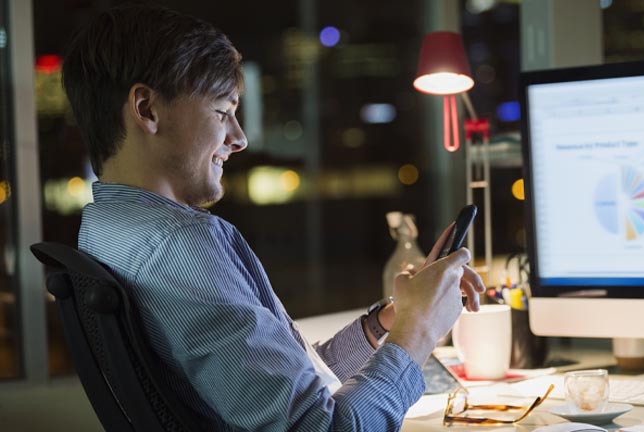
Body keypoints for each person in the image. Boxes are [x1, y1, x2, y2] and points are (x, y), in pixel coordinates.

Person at [62, 4, 485, 431]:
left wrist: (390, 322)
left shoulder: (106, 230)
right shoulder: (178, 247)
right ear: (147, 109)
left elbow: (291, 391)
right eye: (222, 112)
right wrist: (419, 330)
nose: (239, 138)